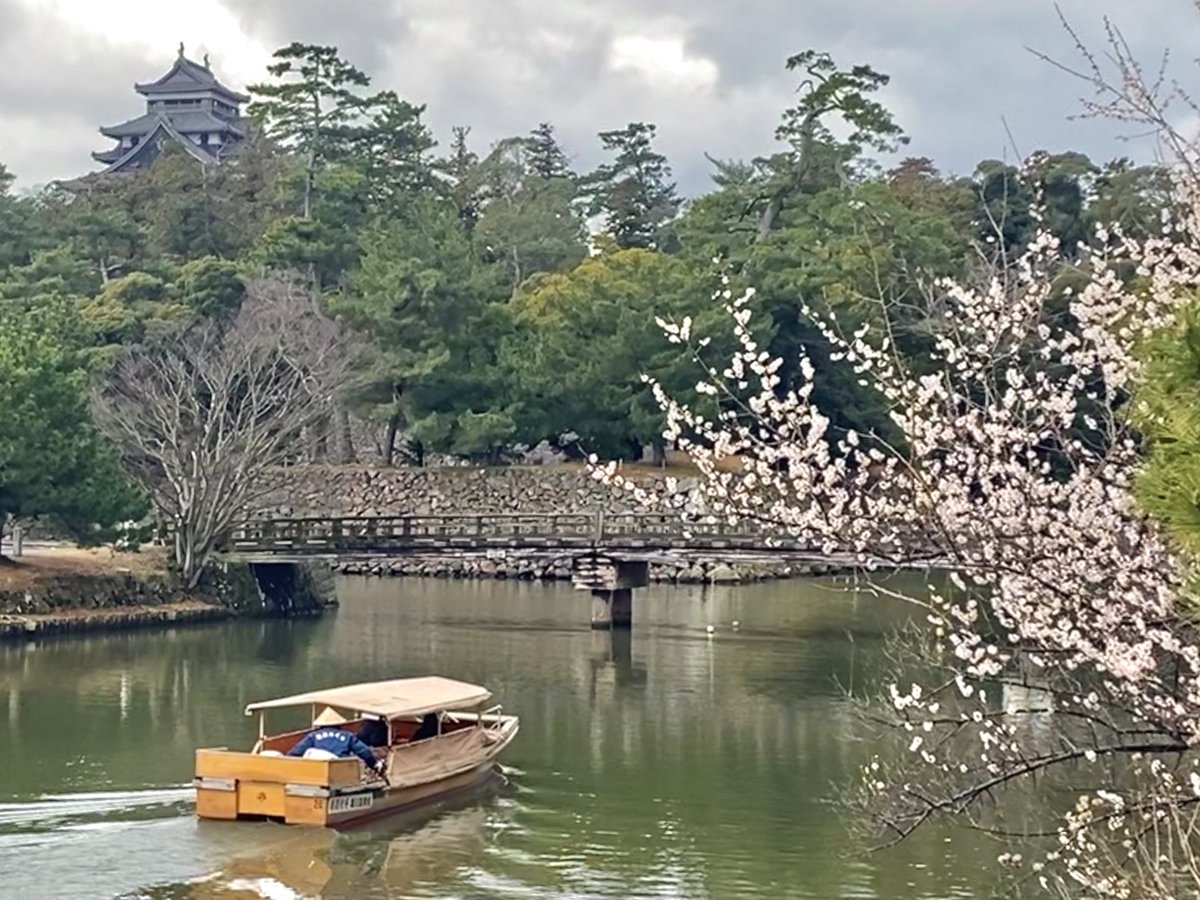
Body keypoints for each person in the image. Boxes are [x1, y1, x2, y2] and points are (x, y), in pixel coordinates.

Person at [287, 726, 386, 775]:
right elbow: (365, 752)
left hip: (315, 773)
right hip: (339, 773)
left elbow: (295, 753)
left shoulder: (312, 736)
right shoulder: (347, 736)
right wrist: (374, 764)